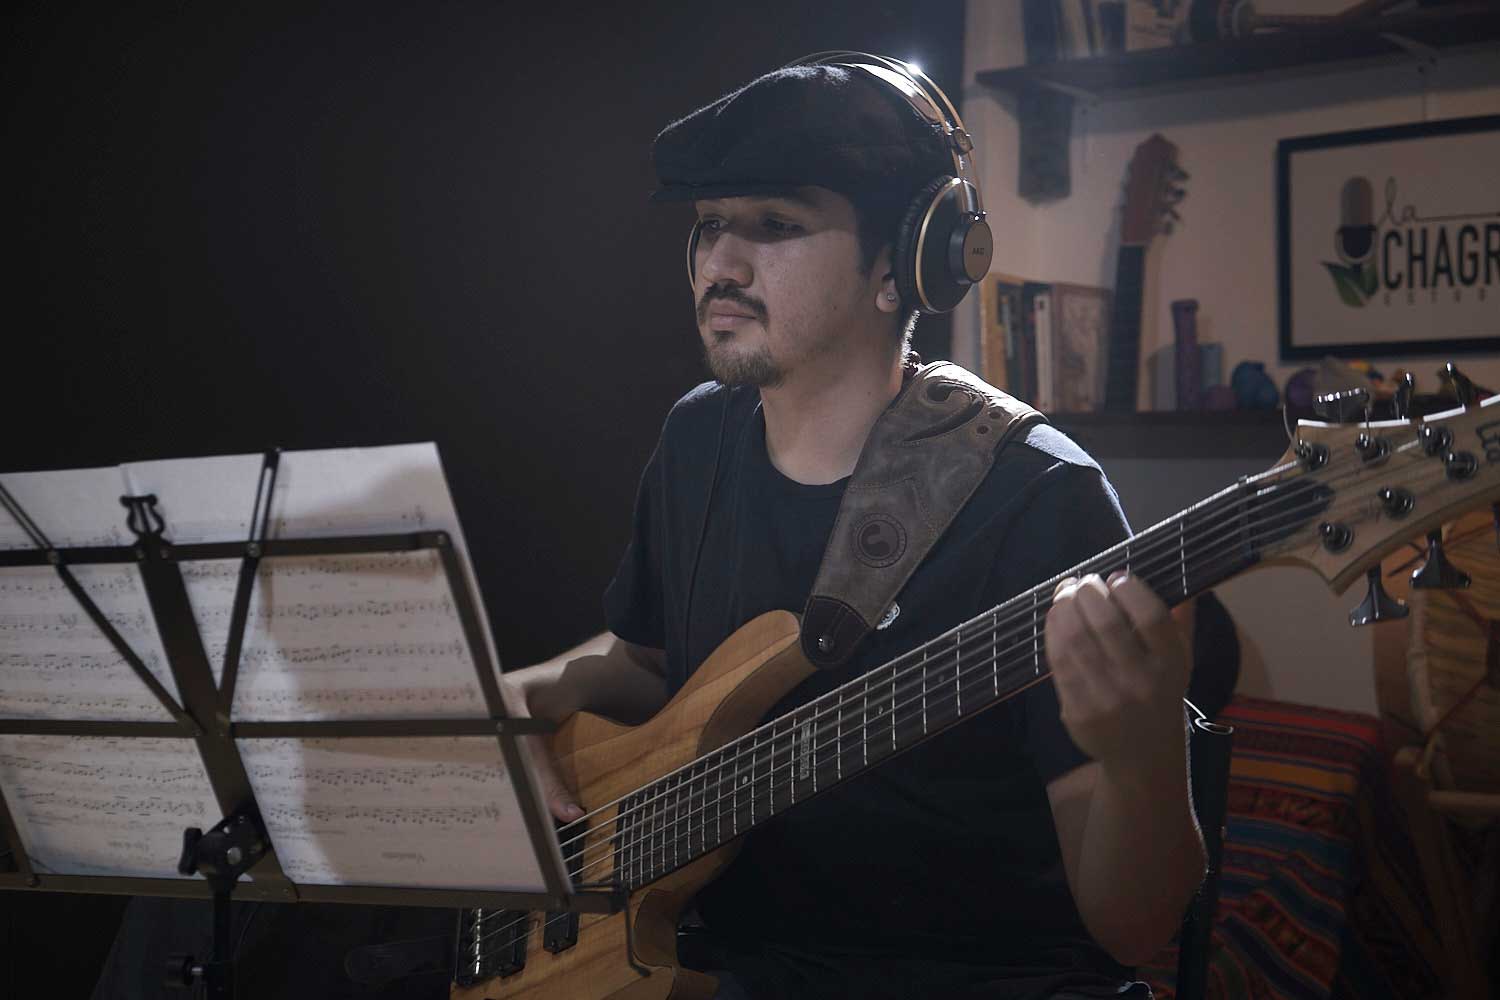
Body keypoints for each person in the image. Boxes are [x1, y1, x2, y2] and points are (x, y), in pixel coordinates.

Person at [501, 55, 1206, 1000]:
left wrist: (1143, 752)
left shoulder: (1039, 499)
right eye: (710, 225)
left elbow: (1136, 928)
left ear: (903, 263)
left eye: (775, 226)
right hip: (724, 968)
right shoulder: (698, 438)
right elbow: (646, 663)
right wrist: (520, 698)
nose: (721, 264)